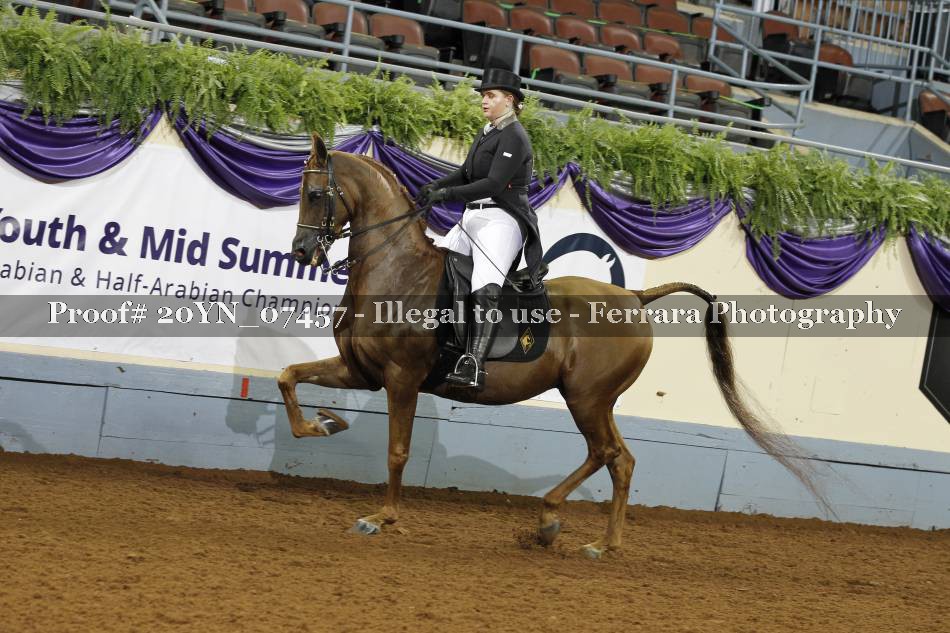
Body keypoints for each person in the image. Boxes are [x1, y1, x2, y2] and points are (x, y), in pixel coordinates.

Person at [416, 68, 542, 391]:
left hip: (502, 219)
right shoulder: (488, 131)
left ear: (509, 100)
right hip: (472, 216)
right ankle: (441, 343)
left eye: (491, 95)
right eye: (484, 95)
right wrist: (436, 185)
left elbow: (494, 184)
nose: (484, 100)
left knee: (485, 284)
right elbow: (466, 173)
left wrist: (448, 195)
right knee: (439, 268)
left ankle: (473, 363)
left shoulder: (515, 136)